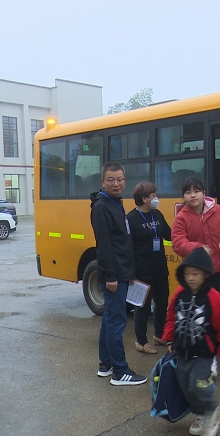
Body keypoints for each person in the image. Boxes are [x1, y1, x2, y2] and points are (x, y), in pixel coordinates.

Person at [163, 247, 220, 436]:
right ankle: (200, 414)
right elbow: (171, 317)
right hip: (182, 351)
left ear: (205, 274)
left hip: (204, 353)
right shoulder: (179, 294)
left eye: (195, 274)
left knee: (199, 384)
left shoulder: (215, 299)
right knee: (186, 386)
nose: (191, 278)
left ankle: (212, 409)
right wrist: (169, 338)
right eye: (187, 274)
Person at [90, 162, 147, 386]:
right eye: (111, 179)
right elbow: (104, 246)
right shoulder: (102, 207)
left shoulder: (115, 203)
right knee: (116, 322)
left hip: (122, 272)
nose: (117, 183)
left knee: (110, 320)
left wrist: (128, 272)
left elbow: (121, 242)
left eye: (120, 179)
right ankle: (120, 371)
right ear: (103, 181)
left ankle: (105, 364)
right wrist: (111, 276)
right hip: (113, 275)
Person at [171, 177, 220, 298]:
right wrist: (199, 248)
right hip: (199, 271)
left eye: (196, 191)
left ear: (204, 193)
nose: (193, 195)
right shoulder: (181, 218)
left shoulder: (218, 210)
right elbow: (178, 243)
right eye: (188, 192)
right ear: (184, 196)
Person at [126, 181, 171, 355]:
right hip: (141, 272)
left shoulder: (157, 215)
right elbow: (127, 248)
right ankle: (141, 341)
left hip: (159, 268)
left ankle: (159, 335)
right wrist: (131, 273)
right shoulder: (131, 219)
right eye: (153, 195)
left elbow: (169, 234)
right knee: (142, 308)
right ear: (144, 199)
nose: (155, 198)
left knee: (162, 303)